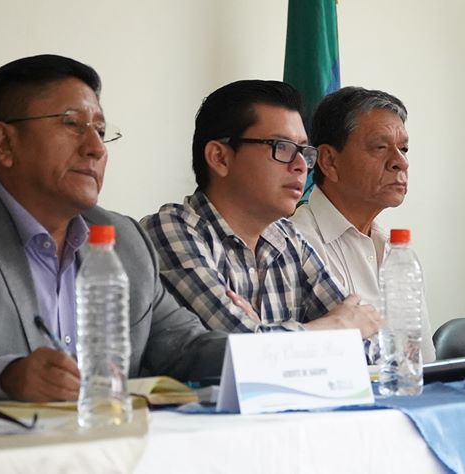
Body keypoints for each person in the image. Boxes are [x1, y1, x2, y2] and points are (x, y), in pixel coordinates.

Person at [0, 55, 227, 406]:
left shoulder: (124, 240)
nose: (96, 148)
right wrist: (7, 376)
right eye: (72, 124)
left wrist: (267, 355)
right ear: (5, 143)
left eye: (101, 132)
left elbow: (186, 347)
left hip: (107, 438)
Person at [141, 80, 380, 345]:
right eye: (282, 147)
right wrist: (336, 326)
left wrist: (270, 335)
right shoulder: (170, 230)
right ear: (220, 157)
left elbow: (370, 342)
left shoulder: (288, 238)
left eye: (304, 151)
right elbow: (244, 349)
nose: (301, 166)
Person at [290, 86, 436, 362]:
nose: (401, 162)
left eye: (404, 149)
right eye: (381, 147)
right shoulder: (295, 244)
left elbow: (424, 364)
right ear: (329, 161)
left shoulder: (398, 253)